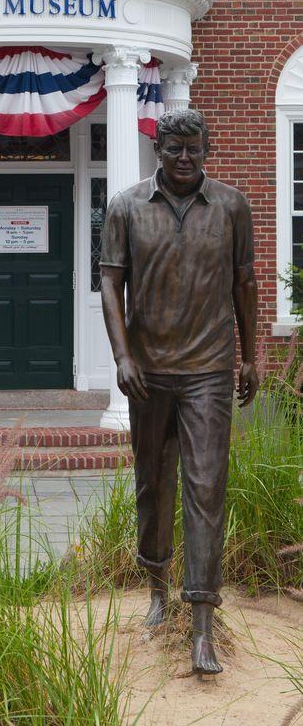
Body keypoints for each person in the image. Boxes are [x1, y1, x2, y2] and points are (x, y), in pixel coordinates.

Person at [99, 108, 258, 675]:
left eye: (194, 148)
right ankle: (158, 592)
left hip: (210, 369)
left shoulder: (232, 206)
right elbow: (110, 280)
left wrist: (252, 356)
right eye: (174, 148)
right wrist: (121, 354)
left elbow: (245, 283)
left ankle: (201, 626)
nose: (185, 158)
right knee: (153, 484)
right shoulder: (125, 206)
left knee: (206, 489)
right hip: (148, 370)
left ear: (206, 149)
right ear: (157, 149)